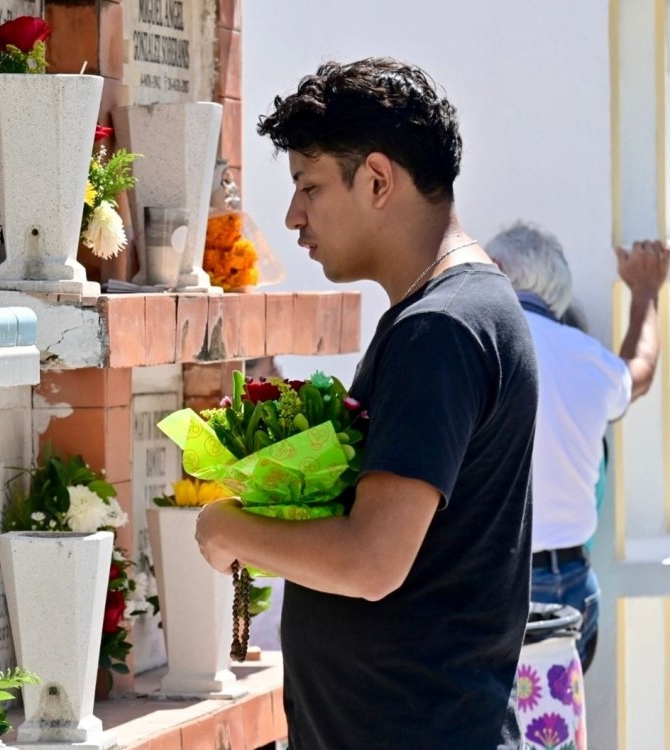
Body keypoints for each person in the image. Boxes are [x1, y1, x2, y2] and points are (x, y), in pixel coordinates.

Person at [195, 58, 538, 749]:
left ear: (378, 181)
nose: (293, 217)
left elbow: (373, 562)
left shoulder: (440, 328)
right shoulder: (462, 308)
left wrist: (226, 529)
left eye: (309, 186)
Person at [485, 221, 669, 672]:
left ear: (496, 268)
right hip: (575, 586)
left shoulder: (480, 343)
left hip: (503, 585)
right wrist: (646, 292)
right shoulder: (587, 358)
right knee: (555, 732)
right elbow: (639, 369)